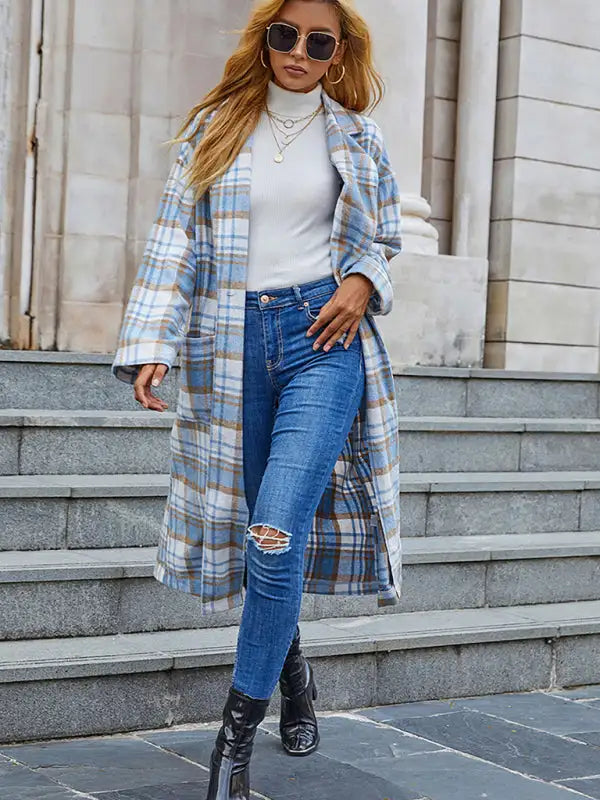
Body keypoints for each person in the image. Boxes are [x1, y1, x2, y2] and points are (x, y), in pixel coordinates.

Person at [111, 0, 403, 797]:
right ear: (265, 40)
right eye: (286, 35)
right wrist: (151, 343)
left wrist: (361, 279)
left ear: (339, 53)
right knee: (266, 537)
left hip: (324, 342)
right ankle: (295, 680)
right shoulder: (218, 126)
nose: (300, 52)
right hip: (231, 347)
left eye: (319, 41)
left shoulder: (357, 136)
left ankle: (231, 744)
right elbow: (174, 238)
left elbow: (384, 239)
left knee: (275, 533)